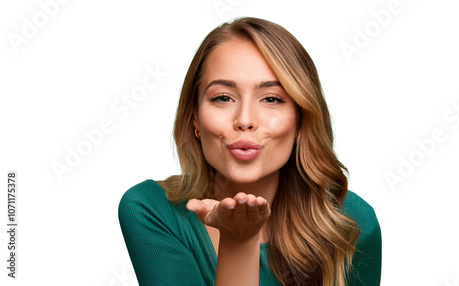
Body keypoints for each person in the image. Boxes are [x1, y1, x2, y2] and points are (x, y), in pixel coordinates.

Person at [118, 17, 382, 286]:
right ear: (194, 118)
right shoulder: (151, 209)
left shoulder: (351, 223)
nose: (245, 120)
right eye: (223, 98)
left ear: (301, 120)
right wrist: (239, 241)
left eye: (271, 99)